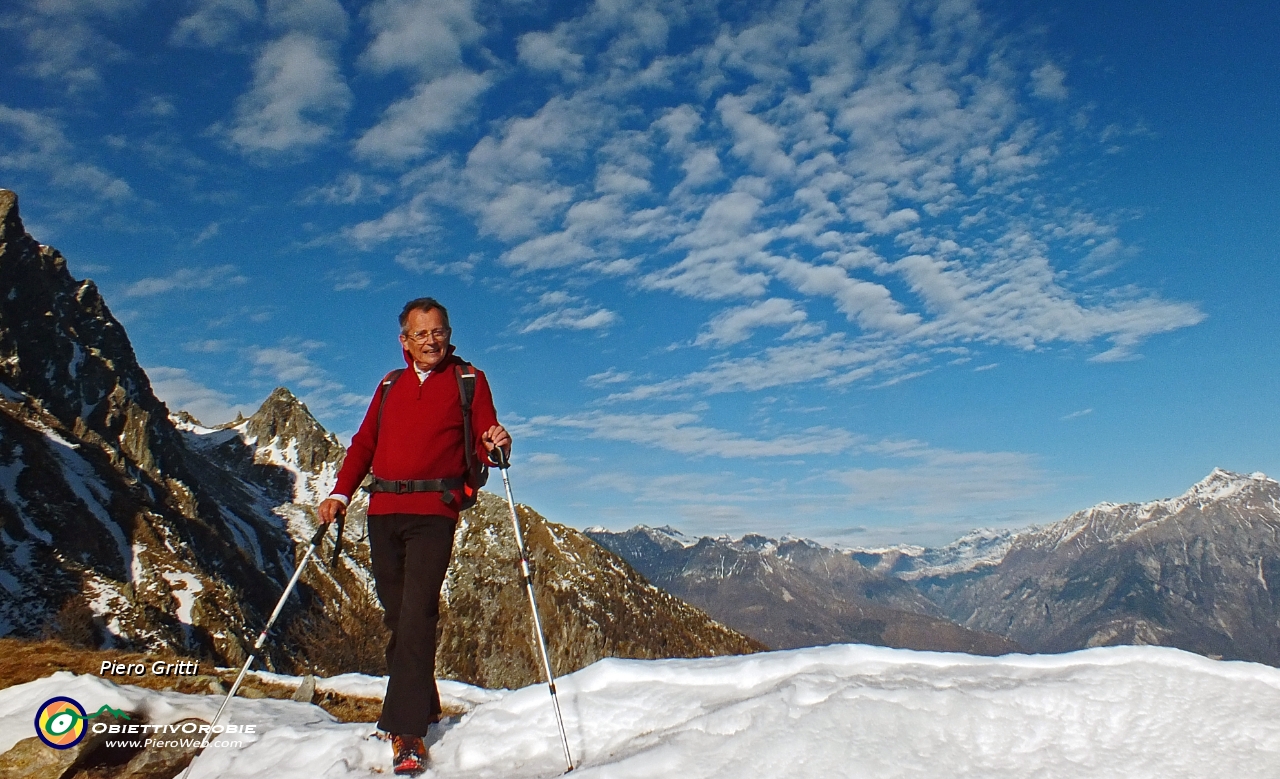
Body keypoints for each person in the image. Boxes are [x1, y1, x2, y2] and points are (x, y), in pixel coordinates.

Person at [317, 297, 510, 776]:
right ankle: (424, 705)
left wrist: (497, 444)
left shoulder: (469, 380)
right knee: (397, 614)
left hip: (434, 511)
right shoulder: (389, 385)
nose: (431, 341)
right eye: (420, 334)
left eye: (438, 331)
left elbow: (487, 436)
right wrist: (341, 493)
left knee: (418, 610)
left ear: (449, 333)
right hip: (383, 510)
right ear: (404, 340)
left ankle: (406, 732)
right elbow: (364, 443)